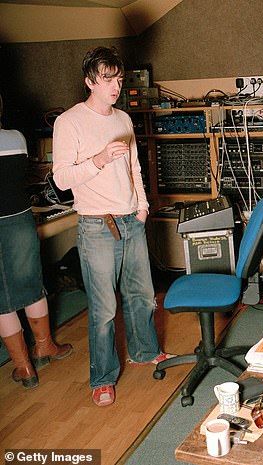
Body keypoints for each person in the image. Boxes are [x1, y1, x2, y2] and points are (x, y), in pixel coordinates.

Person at [53, 46, 171, 407]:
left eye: (118, 78)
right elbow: (61, 179)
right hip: (96, 226)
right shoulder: (69, 122)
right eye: (107, 79)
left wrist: (143, 206)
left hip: (130, 220)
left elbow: (135, 167)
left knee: (142, 297)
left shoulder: (123, 119)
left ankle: (145, 351)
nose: (115, 86)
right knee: (104, 310)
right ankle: (102, 378)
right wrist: (100, 159)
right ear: (90, 81)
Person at [0, 93, 73, 389]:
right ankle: (45, 346)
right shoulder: (16, 138)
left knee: (3, 302)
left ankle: (24, 367)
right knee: (32, 284)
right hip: (21, 219)